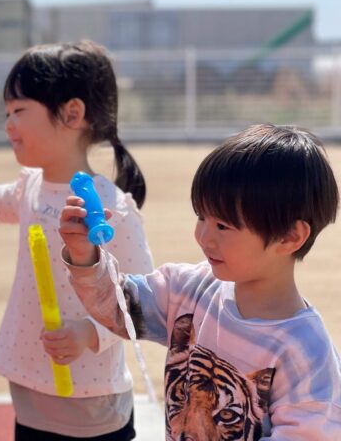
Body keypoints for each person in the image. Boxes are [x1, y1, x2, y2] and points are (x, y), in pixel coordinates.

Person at [0, 41, 154, 440]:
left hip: (91, 404)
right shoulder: (32, 189)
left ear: (72, 113)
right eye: (6, 112)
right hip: (31, 391)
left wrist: (90, 332)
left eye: (19, 111)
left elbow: (144, 299)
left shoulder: (112, 207)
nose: (8, 124)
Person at [59, 123, 341, 439]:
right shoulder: (190, 291)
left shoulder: (306, 353)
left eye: (222, 226)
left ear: (290, 236)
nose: (202, 236)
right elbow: (117, 309)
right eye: (200, 216)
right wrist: (85, 256)